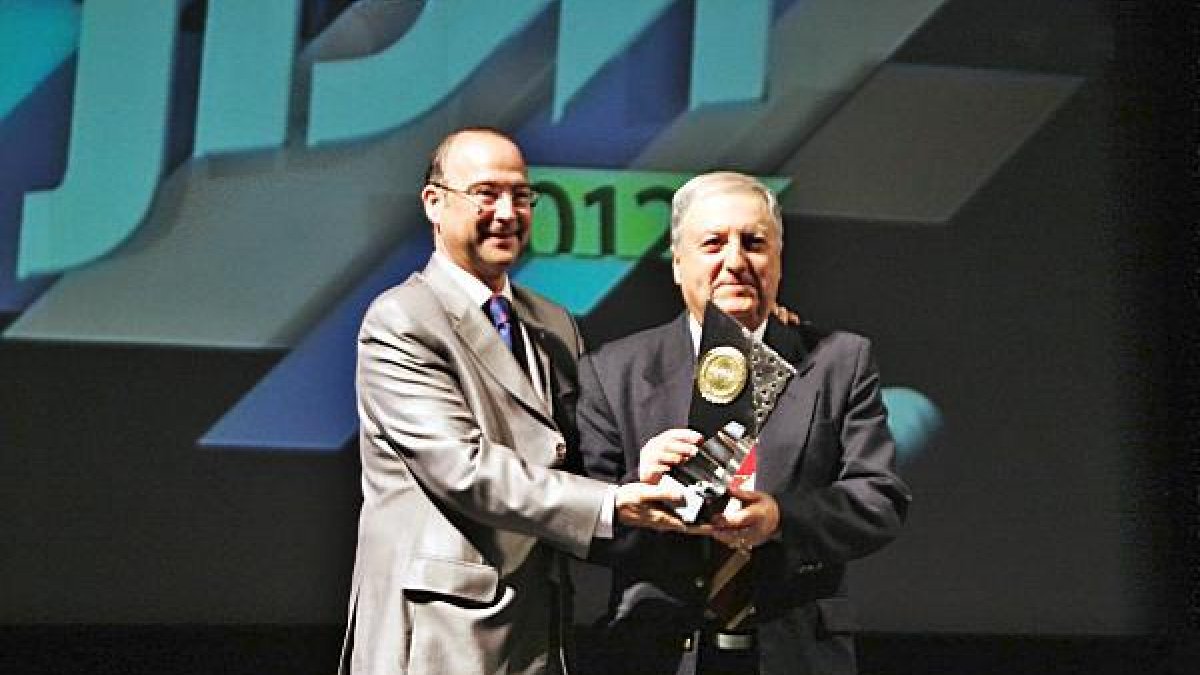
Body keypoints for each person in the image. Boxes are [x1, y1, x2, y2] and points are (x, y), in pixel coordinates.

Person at [338, 128, 690, 675]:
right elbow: (463, 469)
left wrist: (633, 476)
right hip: (441, 629)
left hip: (538, 621)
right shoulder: (402, 319)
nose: (507, 212)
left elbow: (569, 452)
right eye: (486, 193)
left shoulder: (551, 322)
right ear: (435, 202)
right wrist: (610, 505)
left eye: (522, 195)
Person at [576, 171, 912, 674]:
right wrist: (633, 493)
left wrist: (782, 518)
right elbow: (578, 516)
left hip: (797, 652)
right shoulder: (612, 370)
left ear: (778, 258)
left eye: (754, 243)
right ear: (678, 261)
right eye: (713, 243)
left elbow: (878, 500)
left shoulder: (839, 360)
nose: (734, 261)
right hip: (657, 653)